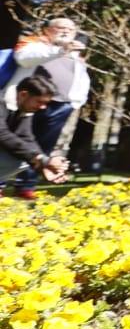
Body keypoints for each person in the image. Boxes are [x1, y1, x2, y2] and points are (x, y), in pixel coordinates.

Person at [3, 17, 89, 198]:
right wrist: (59, 49)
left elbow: (81, 79)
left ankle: (27, 185)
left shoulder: (74, 54)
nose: (66, 31)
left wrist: (76, 102)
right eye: (61, 27)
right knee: (10, 142)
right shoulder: (33, 43)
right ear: (47, 30)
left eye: (71, 29)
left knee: (38, 146)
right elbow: (24, 59)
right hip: (18, 104)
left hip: (60, 105)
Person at [1, 75, 70, 194]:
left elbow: (27, 138)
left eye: (46, 103)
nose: (43, 107)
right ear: (23, 94)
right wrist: (42, 159)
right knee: (26, 157)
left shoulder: (24, 107)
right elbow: (2, 134)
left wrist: (43, 166)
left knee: (25, 159)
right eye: (39, 101)